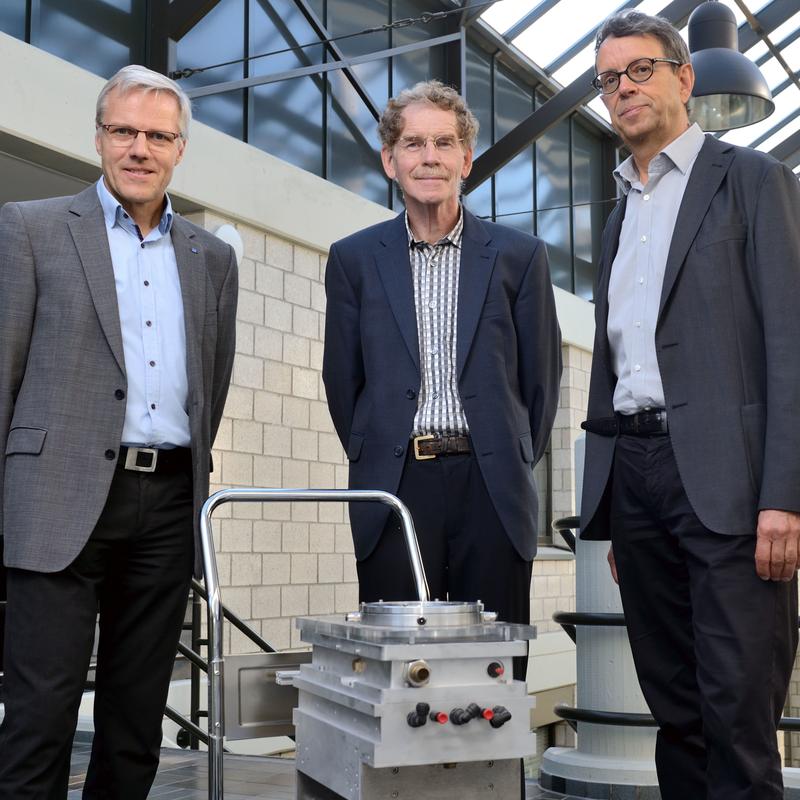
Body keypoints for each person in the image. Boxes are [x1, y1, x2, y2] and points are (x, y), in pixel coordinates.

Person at [0, 65, 238, 799]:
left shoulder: (212, 257)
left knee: (137, 721)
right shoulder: (30, 228)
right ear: (99, 138)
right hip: (55, 498)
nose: (140, 148)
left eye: (158, 135)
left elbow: (212, 383)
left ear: (180, 149)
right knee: (40, 713)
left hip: (166, 504)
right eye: (125, 131)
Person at [579, 10, 800, 800]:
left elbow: (790, 348)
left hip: (730, 487)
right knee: (673, 714)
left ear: (684, 77)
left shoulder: (754, 182)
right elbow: (613, 365)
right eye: (610, 79)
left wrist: (785, 497)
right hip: (638, 482)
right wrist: (613, 504)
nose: (624, 90)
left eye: (640, 70)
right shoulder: (617, 216)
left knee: (738, 712)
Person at [322, 80, 562, 682]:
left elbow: (540, 384)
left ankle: (492, 778)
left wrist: (506, 455)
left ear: (465, 158)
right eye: (413, 143)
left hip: (491, 488)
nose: (429, 156)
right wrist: (376, 450)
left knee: (492, 673)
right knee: (402, 674)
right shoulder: (353, 260)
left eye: (443, 143)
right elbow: (343, 382)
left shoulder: (519, 256)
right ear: (389, 160)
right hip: (395, 488)